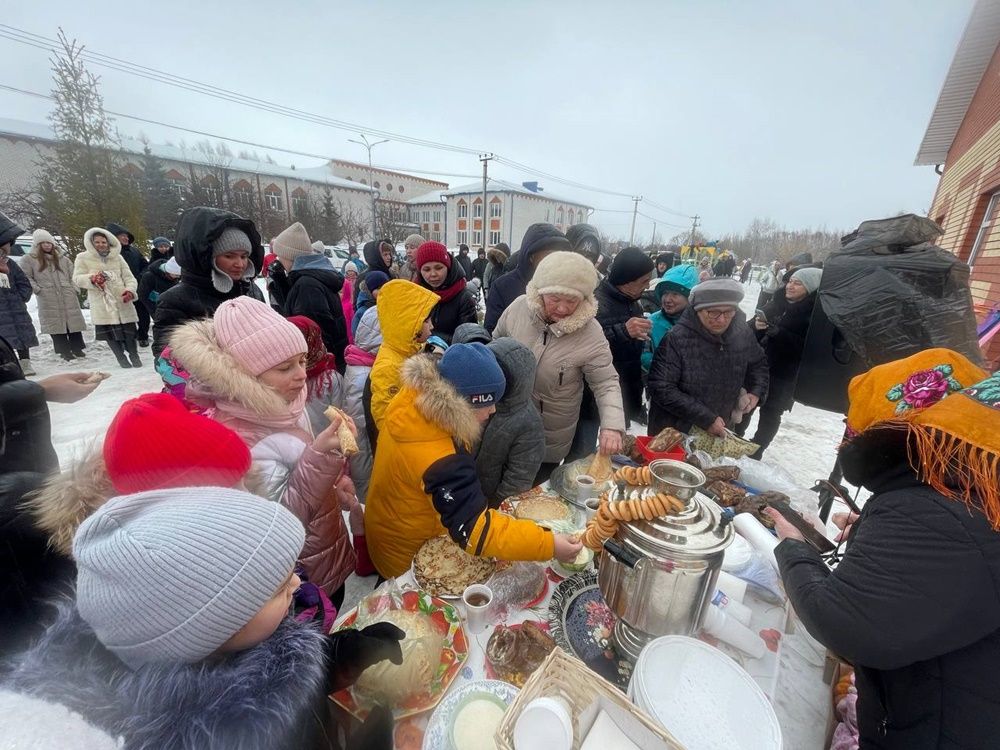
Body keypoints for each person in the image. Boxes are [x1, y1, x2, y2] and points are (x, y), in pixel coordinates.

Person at [2, 487, 403, 749]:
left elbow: (266, 671)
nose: (297, 583)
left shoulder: (229, 639)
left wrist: (339, 656)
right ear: (206, 628)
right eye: (278, 587)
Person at [764, 350, 1000, 750]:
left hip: (942, 727)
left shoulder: (931, 506)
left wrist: (793, 546)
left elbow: (846, 623)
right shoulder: (976, 479)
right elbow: (956, 564)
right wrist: (879, 534)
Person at [169, 296, 355, 602]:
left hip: (318, 549)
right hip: (294, 576)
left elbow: (297, 468)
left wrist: (335, 485)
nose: (300, 374)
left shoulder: (283, 404)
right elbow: (273, 522)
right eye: (285, 367)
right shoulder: (241, 439)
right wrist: (321, 458)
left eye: (301, 361)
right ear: (245, 376)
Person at [364, 344, 582, 578]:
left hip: (393, 525)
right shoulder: (438, 456)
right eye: (488, 403)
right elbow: (475, 532)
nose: (493, 410)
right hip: (408, 551)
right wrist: (549, 544)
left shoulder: (416, 399)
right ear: (464, 403)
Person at [494, 251, 626, 481]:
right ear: (540, 291)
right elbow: (494, 347)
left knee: (536, 496)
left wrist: (612, 426)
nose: (563, 309)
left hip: (549, 439)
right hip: (505, 425)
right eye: (555, 299)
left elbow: (606, 382)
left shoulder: (591, 333)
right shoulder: (517, 309)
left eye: (572, 301)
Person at [647, 278, 768, 437]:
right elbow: (662, 387)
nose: (722, 319)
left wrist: (756, 391)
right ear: (698, 310)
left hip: (721, 427)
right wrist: (706, 418)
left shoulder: (742, 333)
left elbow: (758, 364)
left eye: (728, 312)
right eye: (713, 312)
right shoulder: (677, 338)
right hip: (675, 431)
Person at [152, 206, 265, 358]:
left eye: (244, 256)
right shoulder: (175, 300)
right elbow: (168, 359)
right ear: (207, 257)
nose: (239, 264)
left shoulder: (251, 289)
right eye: (229, 256)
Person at [735, 267, 821, 458]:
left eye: (797, 283)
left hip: (785, 373)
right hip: (758, 366)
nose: (790, 286)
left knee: (771, 412)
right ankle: (735, 437)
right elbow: (747, 329)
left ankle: (757, 449)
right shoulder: (776, 302)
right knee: (745, 404)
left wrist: (780, 334)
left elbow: (809, 348)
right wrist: (756, 326)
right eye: (789, 281)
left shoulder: (815, 315)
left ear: (811, 287)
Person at [475, 337, 545, 505]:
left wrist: (495, 507)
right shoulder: (476, 400)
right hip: (462, 494)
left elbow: (518, 481)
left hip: (489, 505)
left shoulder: (528, 424)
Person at [368, 280, 439, 433]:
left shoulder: (407, 351)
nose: (432, 326)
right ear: (409, 324)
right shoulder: (389, 367)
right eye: (426, 321)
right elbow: (386, 420)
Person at [595, 247, 654, 427]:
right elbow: (585, 346)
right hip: (595, 399)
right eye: (644, 281)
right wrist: (623, 331)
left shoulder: (634, 304)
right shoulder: (596, 302)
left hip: (625, 392)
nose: (647, 286)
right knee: (588, 452)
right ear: (626, 280)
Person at [280, 223, 349, 372]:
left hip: (320, 369)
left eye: (280, 256)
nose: (279, 261)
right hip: (332, 362)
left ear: (289, 256)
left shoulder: (307, 285)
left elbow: (313, 334)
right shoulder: (313, 278)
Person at [73, 228, 141, 369]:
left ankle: (134, 356)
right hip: (102, 302)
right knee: (110, 334)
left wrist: (130, 291)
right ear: (91, 243)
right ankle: (121, 358)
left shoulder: (117, 257)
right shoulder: (83, 258)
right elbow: (77, 278)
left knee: (129, 332)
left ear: (109, 242)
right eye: (97, 242)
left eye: (103, 242)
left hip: (122, 300)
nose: (101, 244)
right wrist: (91, 278)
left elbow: (129, 278)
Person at [484, 223, 571, 333]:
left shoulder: (565, 288)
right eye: (549, 255)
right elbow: (492, 333)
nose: (555, 261)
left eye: (559, 255)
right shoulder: (502, 287)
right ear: (531, 256)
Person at [20, 230, 87, 362]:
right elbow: (26, 277)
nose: (46, 245)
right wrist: (38, 290)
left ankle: (77, 348)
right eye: (43, 243)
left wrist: (74, 288)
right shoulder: (29, 259)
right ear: (37, 245)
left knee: (72, 322)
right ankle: (64, 351)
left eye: (49, 242)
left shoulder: (63, 259)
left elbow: (73, 274)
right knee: (56, 324)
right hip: (47, 296)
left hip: (67, 294)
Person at [343, 304, 382, 504]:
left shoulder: (362, 363)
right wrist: (365, 484)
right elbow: (359, 434)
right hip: (367, 468)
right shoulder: (364, 375)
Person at [641, 262, 699, 373]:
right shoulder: (651, 323)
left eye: (675, 294)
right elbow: (645, 357)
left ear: (690, 297)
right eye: (665, 293)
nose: (667, 299)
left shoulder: (701, 323)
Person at [414, 241, 477, 342]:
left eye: (438, 268)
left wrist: (430, 337)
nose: (433, 274)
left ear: (448, 267)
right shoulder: (415, 294)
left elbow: (467, 340)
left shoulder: (464, 299)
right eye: (426, 269)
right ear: (420, 272)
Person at [0, 227, 39, 375]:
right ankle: (9, 365)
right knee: (5, 338)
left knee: (22, 335)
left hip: (15, 306)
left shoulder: (11, 264)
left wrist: (21, 297)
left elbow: (23, 282)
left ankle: (25, 363)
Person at [106, 223, 150, 346]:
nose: (125, 238)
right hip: (118, 288)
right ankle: (127, 337)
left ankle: (143, 335)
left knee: (142, 313)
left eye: (126, 236)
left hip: (138, 286)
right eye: (121, 236)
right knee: (124, 314)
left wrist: (141, 276)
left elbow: (145, 265)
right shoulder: (110, 253)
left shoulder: (134, 251)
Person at [137, 254, 180, 321]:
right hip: (155, 308)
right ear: (168, 271)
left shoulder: (175, 278)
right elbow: (143, 295)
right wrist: (154, 313)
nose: (178, 277)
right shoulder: (149, 276)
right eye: (176, 275)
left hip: (172, 310)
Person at [351, 270, 389, 338]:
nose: (382, 291)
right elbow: (356, 334)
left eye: (385, 287)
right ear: (369, 291)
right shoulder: (362, 311)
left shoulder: (389, 306)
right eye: (378, 288)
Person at [342, 262, 358, 343]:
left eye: (353, 276)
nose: (351, 280)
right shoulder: (344, 285)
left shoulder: (358, 288)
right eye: (348, 276)